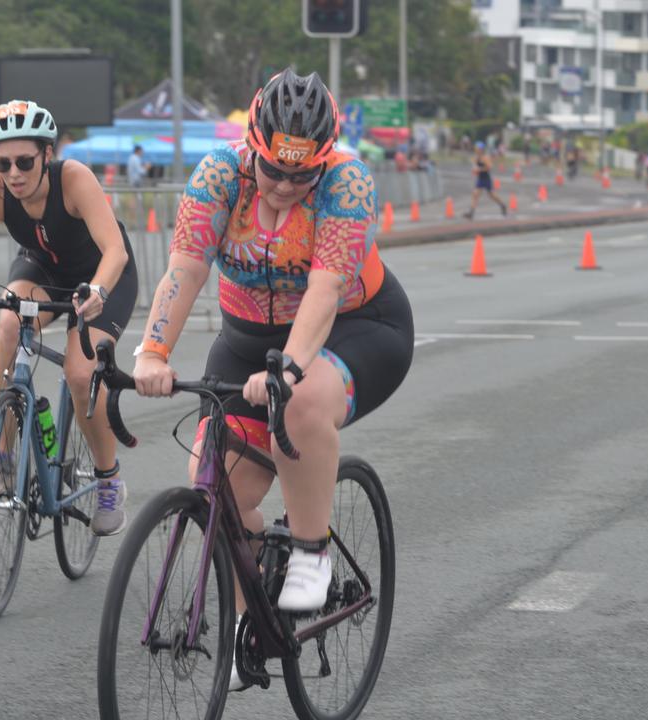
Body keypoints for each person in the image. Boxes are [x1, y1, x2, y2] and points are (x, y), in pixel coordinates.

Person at [130, 69, 414, 688]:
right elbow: (184, 269)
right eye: (273, 170)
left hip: (356, 327)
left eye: (300, 173)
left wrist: (290, 366)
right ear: (252, 148)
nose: (285, 184)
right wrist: (151, 351)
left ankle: (312, 556)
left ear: (324, 159)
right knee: (217, 484)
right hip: (245, 341)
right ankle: (248, 620)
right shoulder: (217, 177)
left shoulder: (348, 181)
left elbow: (327, 287)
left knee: (301, 402)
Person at [0, 100, 139, 536]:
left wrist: (97, 290)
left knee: (81, 374)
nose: (14, 173)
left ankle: (107, 477)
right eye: (2, 163)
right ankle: (4, 456)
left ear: (47, 154)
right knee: (9, 324)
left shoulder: (75, 179)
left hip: (102, 277)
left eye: (25, 161)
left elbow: (114, 250)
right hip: (44, 271)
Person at [463, 141, 507, 220]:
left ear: (481, 149)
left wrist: (479, 169)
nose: (476, 150)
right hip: (480, 178)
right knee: (475, 194)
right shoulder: (477, 157)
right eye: (476, 148)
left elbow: (489, 167)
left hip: (486, 179)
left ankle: (502, 205)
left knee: (492, 195)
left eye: (478, 148)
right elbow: (475, 166)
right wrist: (475, 169)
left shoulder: (485, 157)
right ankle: (471, 213)